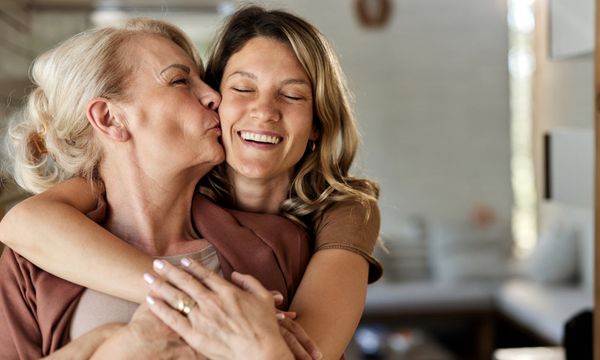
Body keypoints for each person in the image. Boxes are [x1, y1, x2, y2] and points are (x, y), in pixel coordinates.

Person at [0, 5, 382, 358]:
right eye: (181, 81)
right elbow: (23, 221)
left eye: (293, 95)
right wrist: (120, 345)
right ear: (110, 120)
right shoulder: (34, 260)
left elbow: (311, 353)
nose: (213, 97)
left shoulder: (289, 240)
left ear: (318, 123)